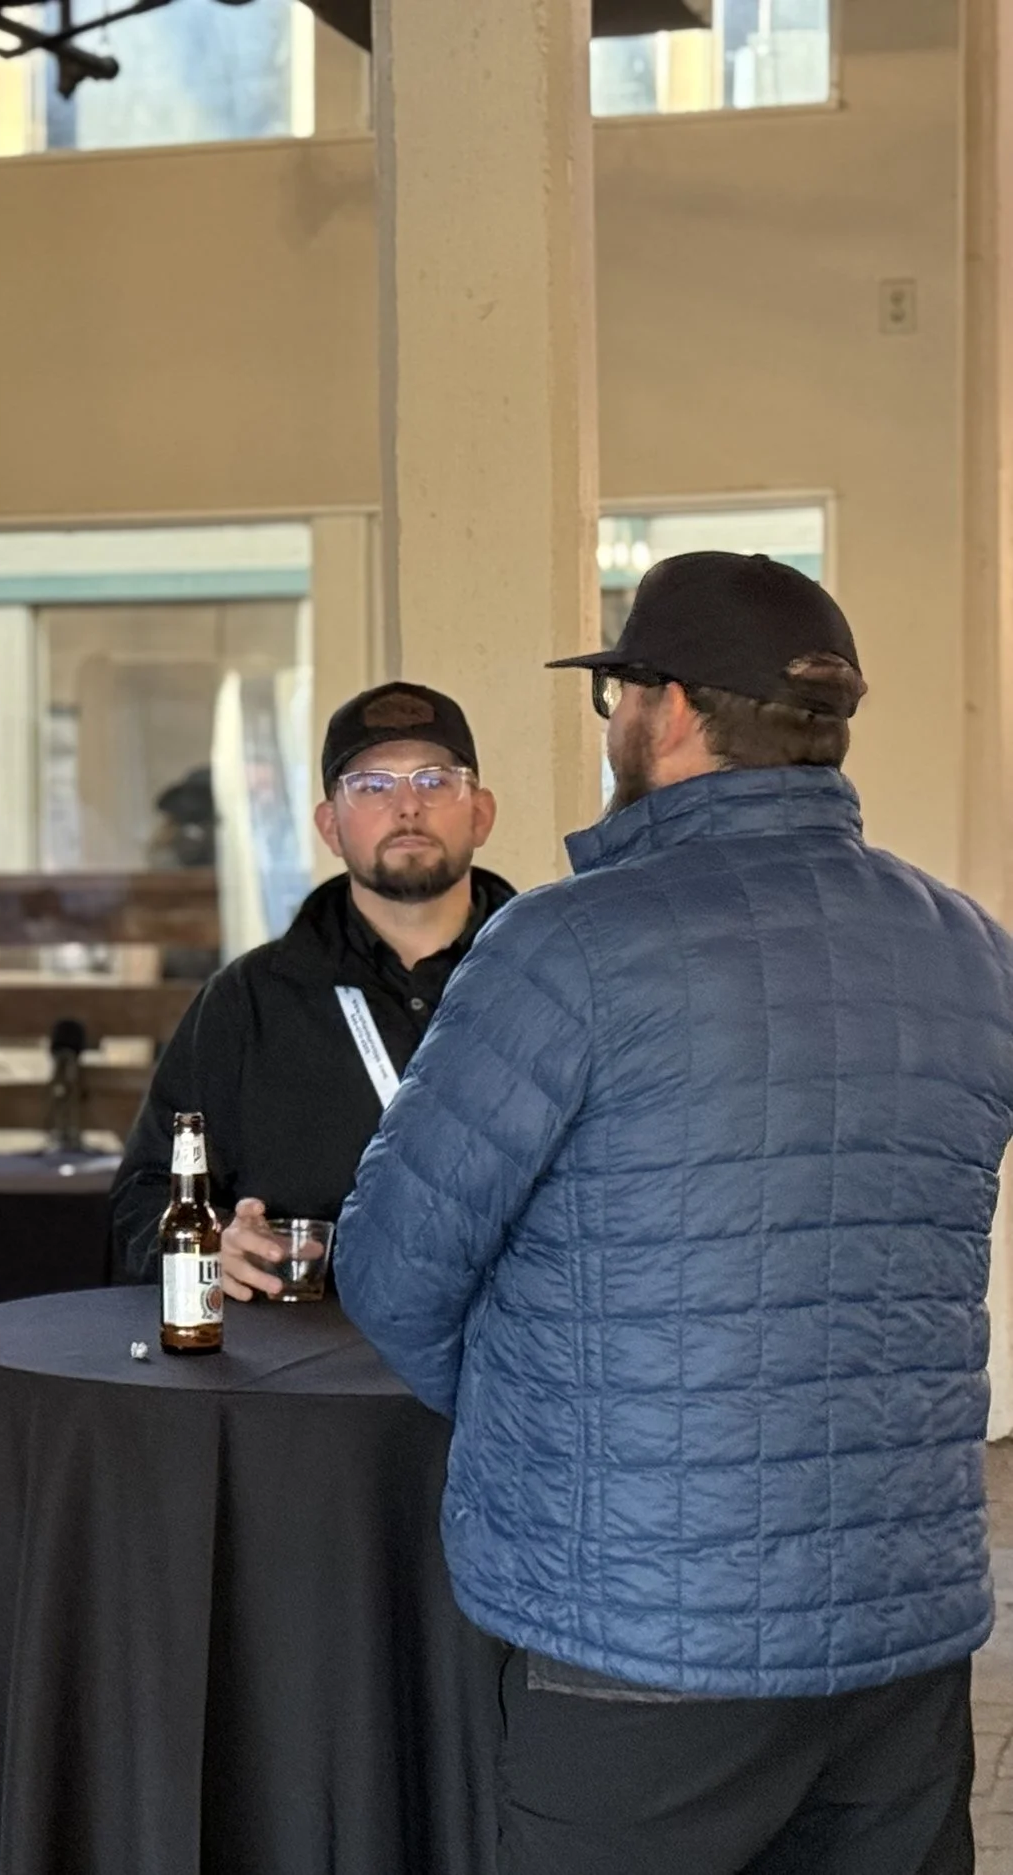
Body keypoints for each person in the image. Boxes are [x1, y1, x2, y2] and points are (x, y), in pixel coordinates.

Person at [336, 552, 1013, 1875]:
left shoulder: (567, 946)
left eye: (618, 696)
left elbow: (392, 1267)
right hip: (901, 1626)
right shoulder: (969, 945)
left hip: (643, 1632)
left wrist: (562, 1419)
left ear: (671, 705)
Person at [110, 682, 510, 1284]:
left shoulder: (548, 988)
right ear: (330, 826)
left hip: (509, 1364)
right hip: (295, 1363)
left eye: (433, 781)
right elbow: (141, 1201)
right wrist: (211, 1249)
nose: (408, 807)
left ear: (480, 814)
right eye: (372, 786)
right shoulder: (248, 1002)